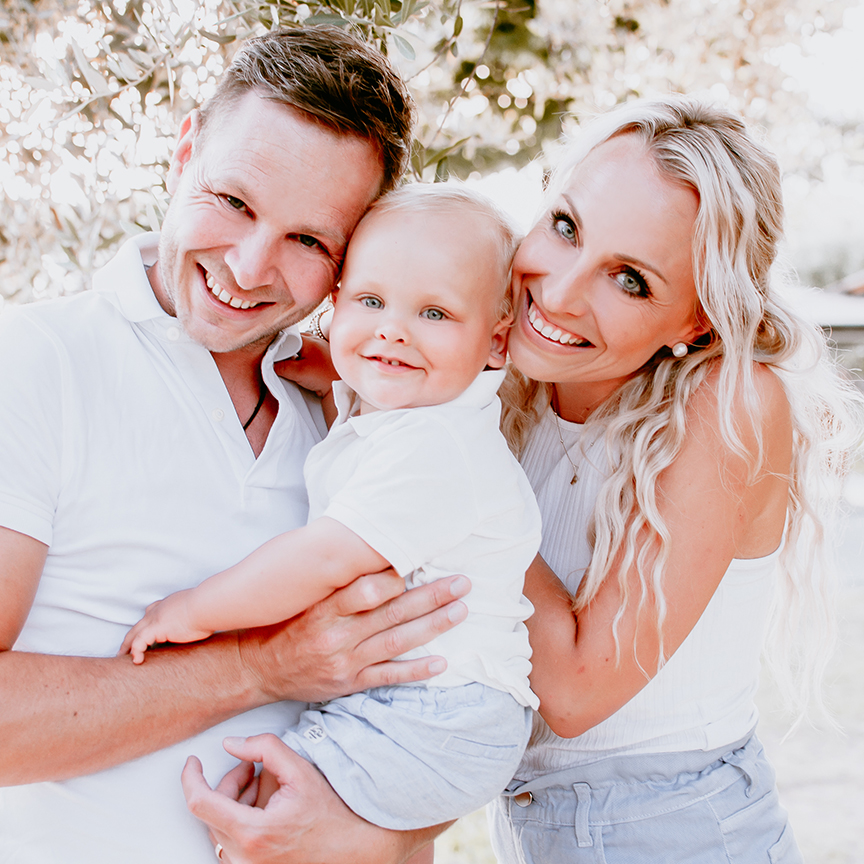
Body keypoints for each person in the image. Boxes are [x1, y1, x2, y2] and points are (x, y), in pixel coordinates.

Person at [184, 97, 860, 863]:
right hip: (533, 826)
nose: (561, 293)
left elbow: (574, 692)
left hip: (678, 834)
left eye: (630, 279)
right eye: (566, 227)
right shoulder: (496, 385)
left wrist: (456, 471)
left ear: (696, 322)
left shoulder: (729, 402)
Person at [0, 26, 468, 864]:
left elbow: (423, 706)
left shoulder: (351, 415)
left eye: (308, 241)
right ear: (185, 153)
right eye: (234, 202)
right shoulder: (37, 361)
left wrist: (371, 836)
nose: (250, 267)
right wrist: (259, 667)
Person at [120, 185, 541, 830]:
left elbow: (320, 560)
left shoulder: (438, 446)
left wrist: (195, 609)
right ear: (336, 305)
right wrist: (335, 375)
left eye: (434, 313)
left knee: (277, 813)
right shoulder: (405, 416)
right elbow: (359, 405)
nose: (392, 330)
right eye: (371, 302)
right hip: (423, 705)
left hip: (439, 713)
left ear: (496, 344)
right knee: (269, 802)